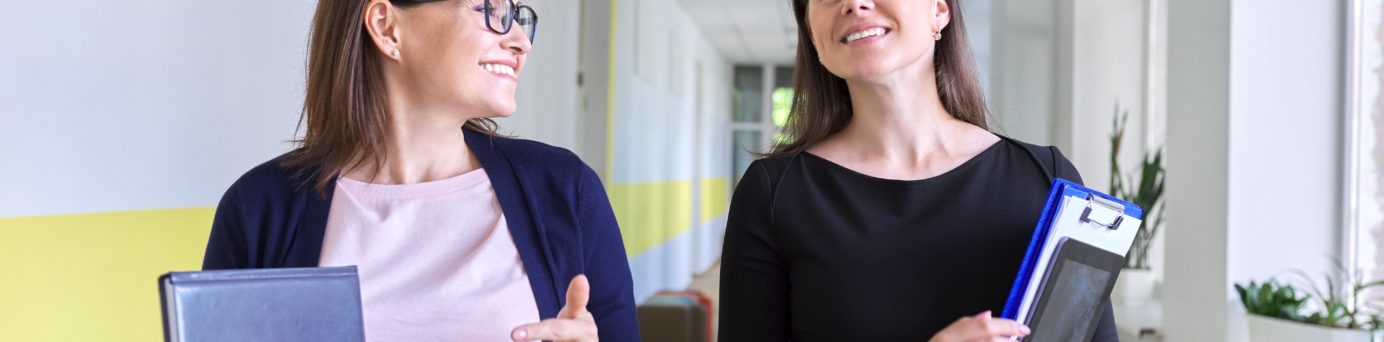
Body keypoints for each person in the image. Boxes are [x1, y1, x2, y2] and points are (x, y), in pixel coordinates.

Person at [201, 1, 640, 341]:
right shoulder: (257, 208)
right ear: (386, 27)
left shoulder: (564, 189)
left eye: (517, 16)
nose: (520, 41)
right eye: (488, 10)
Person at [718, 0, 1118, 341]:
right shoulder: (772, 196)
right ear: (812, 36)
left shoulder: (1044, 179)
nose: (854, 3)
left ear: (939, 9)